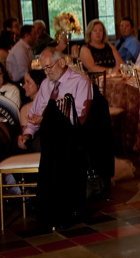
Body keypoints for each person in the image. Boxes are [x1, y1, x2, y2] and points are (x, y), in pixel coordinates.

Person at [17, 48, 95, 230]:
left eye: (49, 67)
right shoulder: (45, 84)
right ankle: (42, 206)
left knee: (54, 145)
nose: (47, 72)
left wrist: (47, 119)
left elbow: (80, 117)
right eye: (43, 69)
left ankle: (61, 209)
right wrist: (27, 132)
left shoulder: (80, 82)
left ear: (61, 63)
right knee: (20, 145)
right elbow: (35, 114)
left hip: (71, 136)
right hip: (47, 136)